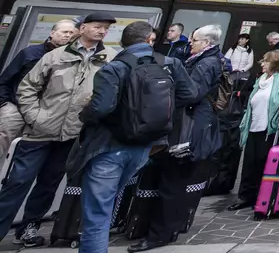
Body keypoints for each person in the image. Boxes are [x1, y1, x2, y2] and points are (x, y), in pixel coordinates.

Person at [72, 21, 195, 253]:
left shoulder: (113, 68)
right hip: (146, 144)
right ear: (150, 39)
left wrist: (83, 115)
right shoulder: (171, 63)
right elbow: (190, 94)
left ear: (122, 43)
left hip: (108, 146)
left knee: (98, 213)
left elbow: (100, 109)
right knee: (111, 198)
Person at [0, 13, 113, 247]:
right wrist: (35, 116)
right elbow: (27, 87)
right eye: (97, 26)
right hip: (39, 131)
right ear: (82, 28)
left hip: (72, 134)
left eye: (106, 28)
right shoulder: (55, 56)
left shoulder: (109, 58)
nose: (102, 31)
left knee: (49, 184)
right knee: (17, 182)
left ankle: (29, 227)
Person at [130, 25, 224, 252]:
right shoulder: (200, 60)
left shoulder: (206, 63)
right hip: (188, 124)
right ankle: (166, 229)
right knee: (174, 181)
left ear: (207, 43)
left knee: (173, 181)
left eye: (195, 40)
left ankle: (159, 234)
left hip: (189, 128)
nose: (190, 43)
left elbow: (192, 93)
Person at [228, 50, 279, 210]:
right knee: (250, 162)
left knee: (266, 162)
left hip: (272, 126)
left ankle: (264, 196)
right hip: (254, 125)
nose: (262, 63)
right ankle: (245, 196)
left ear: (276, 62)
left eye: (265, 61)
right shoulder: (262, 78)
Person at [0, 19, 77, 158]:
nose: (67, 35)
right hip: (16, 106)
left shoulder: (72, 58)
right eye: (64, 32)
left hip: (45, 111)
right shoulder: (30, 53)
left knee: (29, 152)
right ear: (52, 33)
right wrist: (5, 103)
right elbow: (5, 79)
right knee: (3, 138)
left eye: (71, 33)